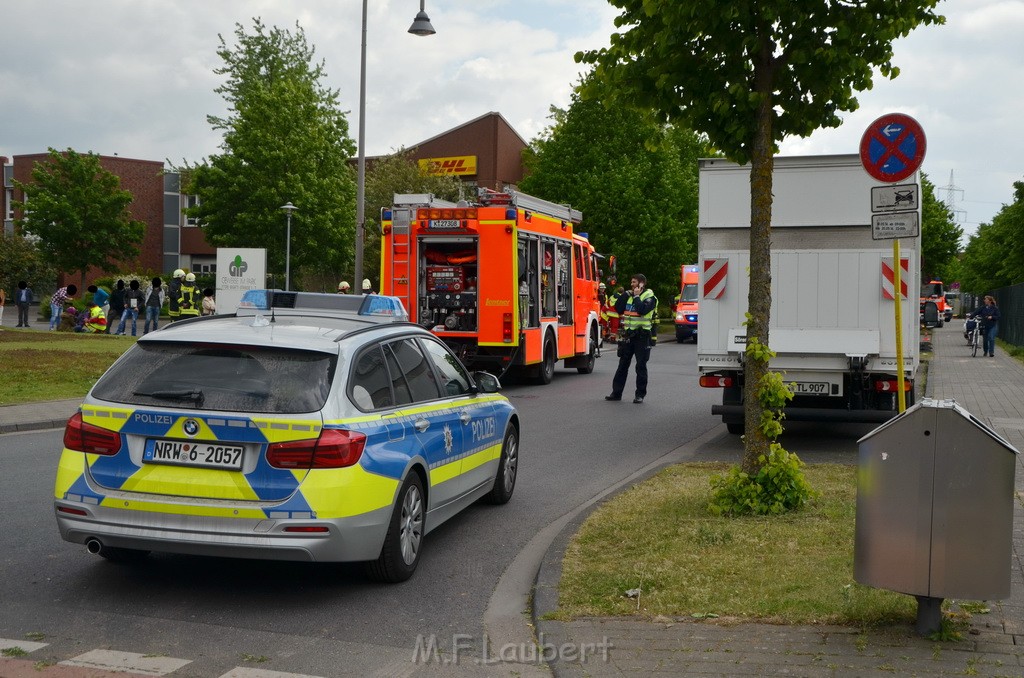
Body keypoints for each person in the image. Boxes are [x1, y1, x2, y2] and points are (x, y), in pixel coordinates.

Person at [605, 274, 657, 404]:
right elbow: (618, 308)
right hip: (628, 336)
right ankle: (616, 393)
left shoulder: (650, 297)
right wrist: (625, 295)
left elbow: (642, 310)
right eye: (631, 282)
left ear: (642, 283)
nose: (631, 284)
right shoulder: (629, 296)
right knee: (622, 365)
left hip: (642, 337)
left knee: (640, 366)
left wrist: (637, 296)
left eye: (634, 282)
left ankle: (640, 395)